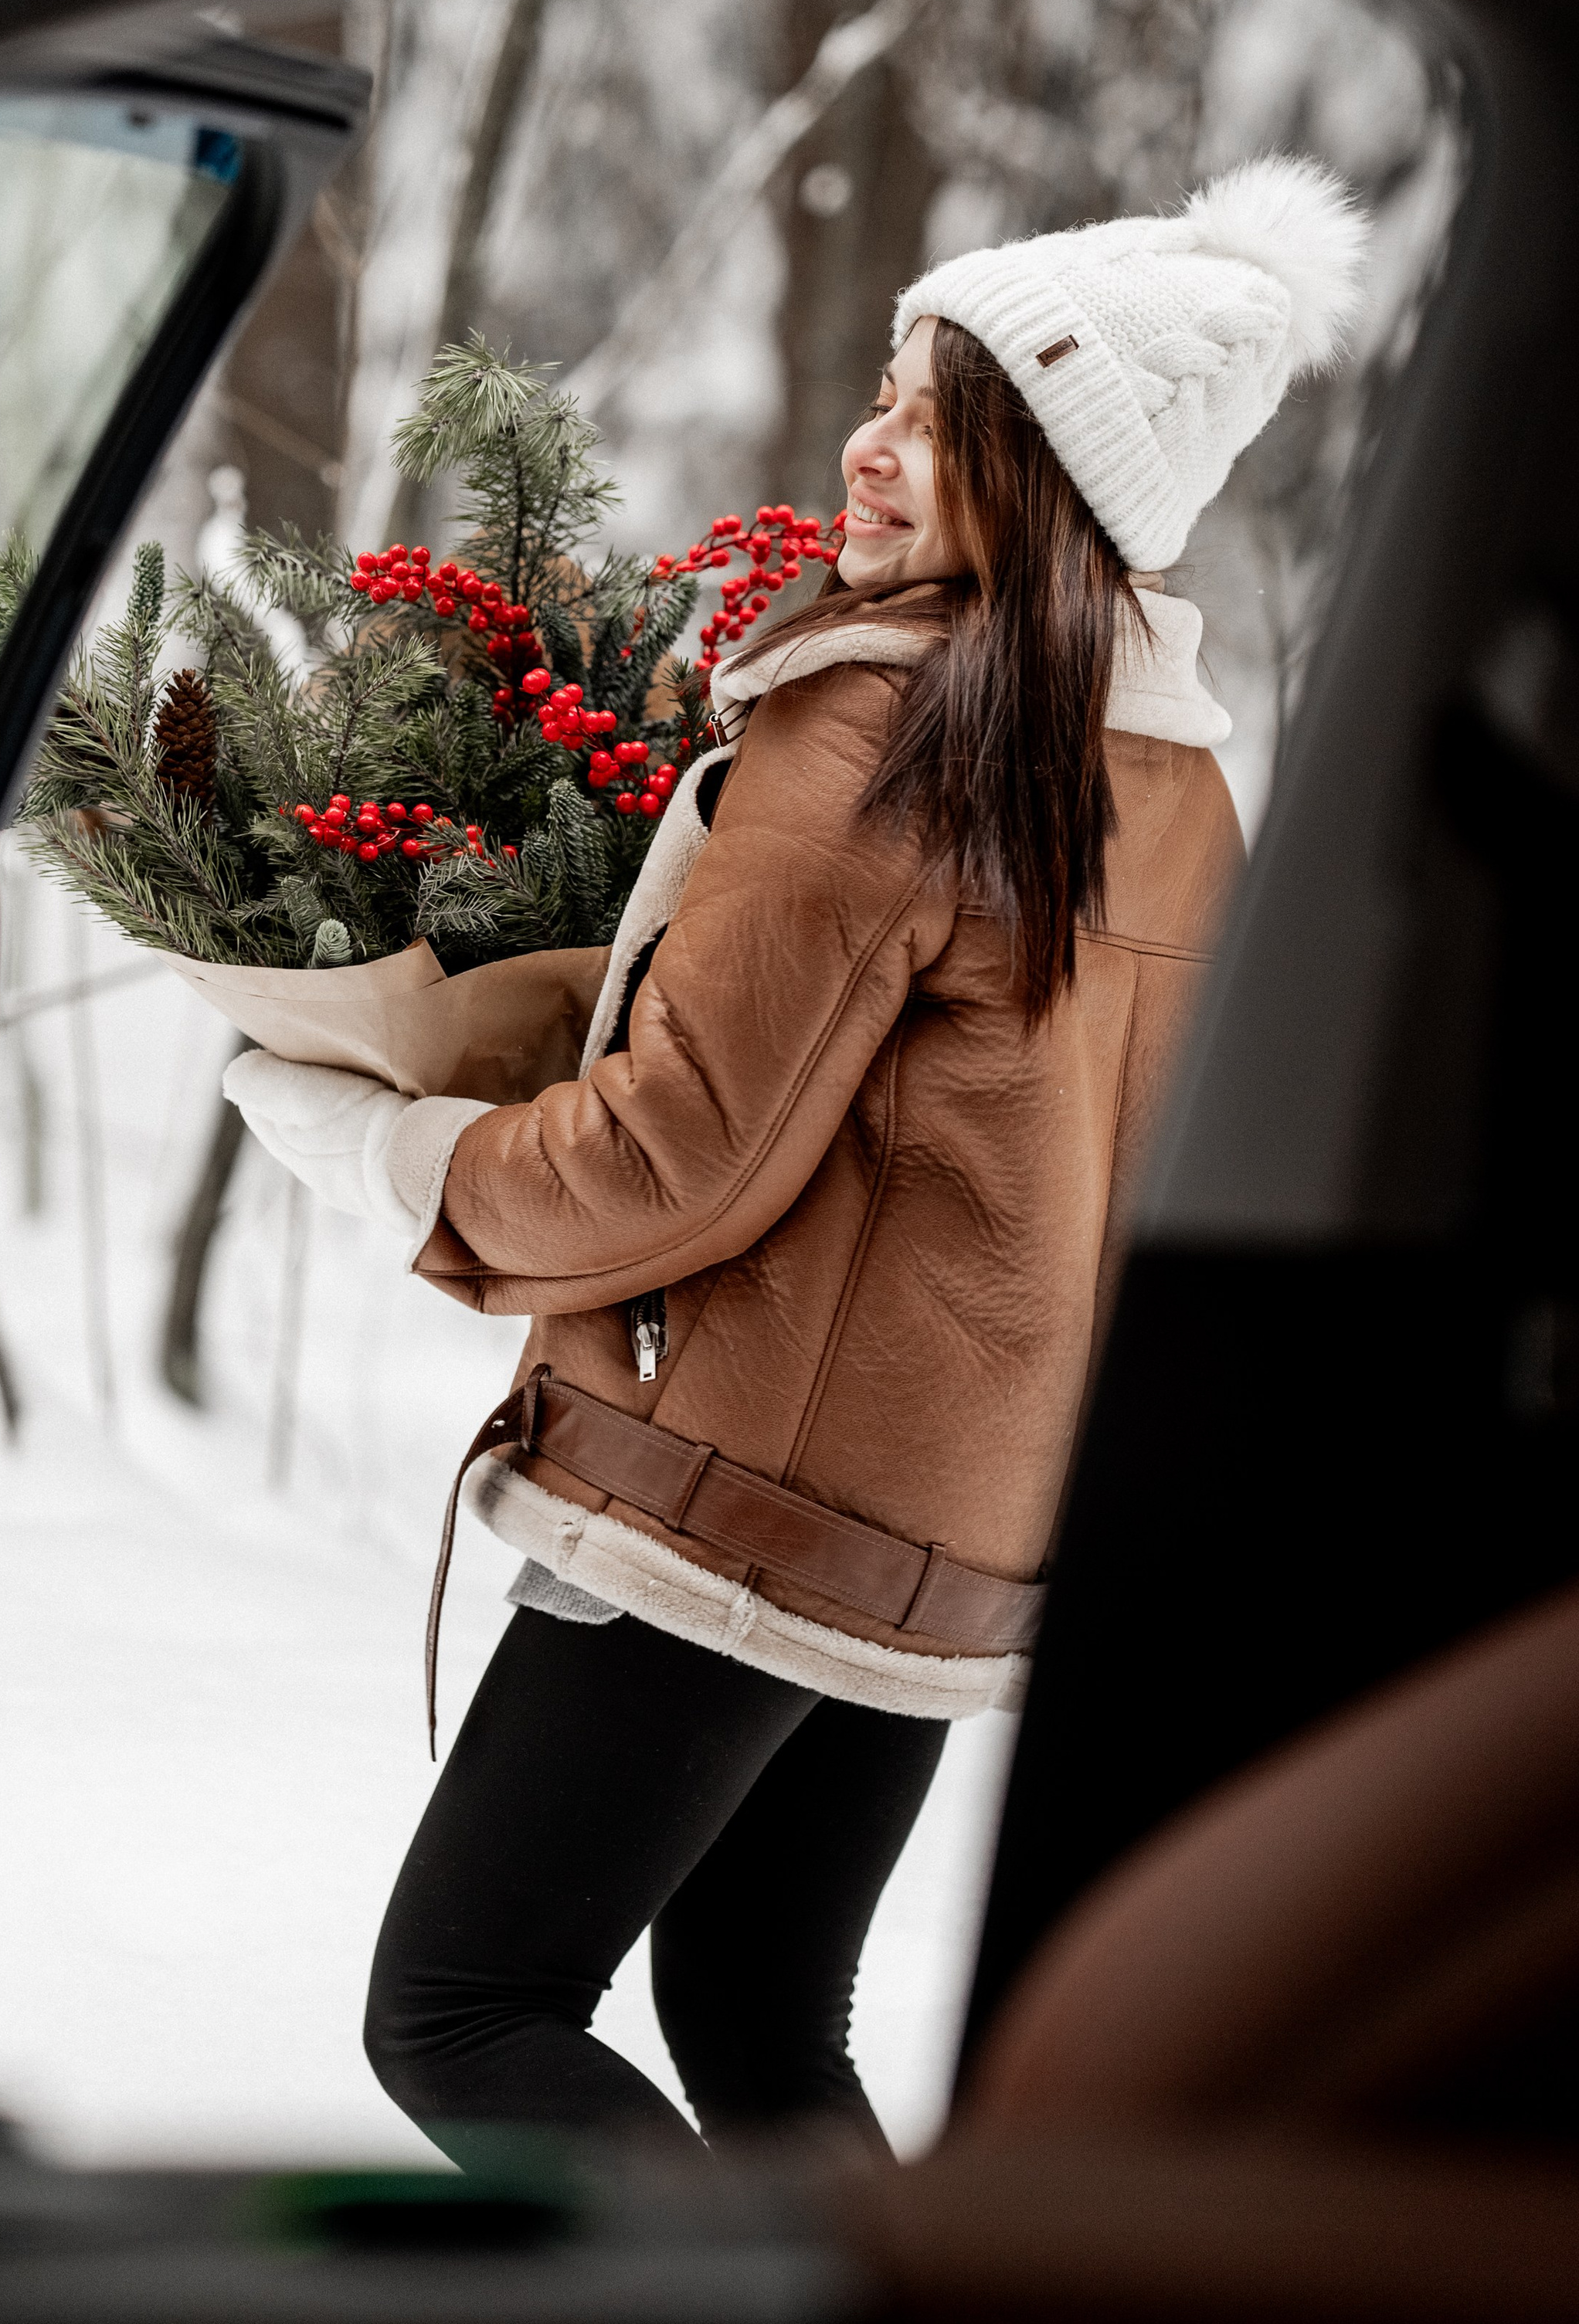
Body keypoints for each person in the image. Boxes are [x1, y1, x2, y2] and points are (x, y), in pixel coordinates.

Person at [226, 155, 1368, 2160]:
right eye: (891, 389)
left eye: (946, 424)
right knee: (763, 2025)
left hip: (735, 1496)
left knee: (467, 2014)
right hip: (962, 1506)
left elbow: (677, 1155)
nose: (874, 445)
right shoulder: (1170, 765)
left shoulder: (882, 728)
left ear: (1062, 483)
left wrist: (394, 1144)